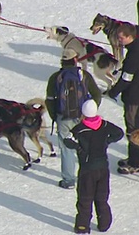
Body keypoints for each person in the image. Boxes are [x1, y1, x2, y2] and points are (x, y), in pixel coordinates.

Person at [64, 100, 124, 234]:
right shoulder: (105, 125)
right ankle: (104, 224)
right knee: (102, 197)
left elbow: (67, 140)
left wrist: (78, 148)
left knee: (85, 198)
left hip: (87, 169)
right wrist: (107, 141)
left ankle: (82, 226)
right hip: (103, 168)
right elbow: (119, 133)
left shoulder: (80, 128)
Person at [46, 48, 102, 189]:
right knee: (86, 147)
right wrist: (89, 111)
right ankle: (88, 178)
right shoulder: (84, 75)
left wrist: (55, 116)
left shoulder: (55, 77)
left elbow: (50, 100)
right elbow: (97, 94)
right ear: (75, 60)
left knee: (66, 149)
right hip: (83, 117)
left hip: (63, 117)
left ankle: (69, 180)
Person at [107, 23, 139, 174]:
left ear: (130, 37)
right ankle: (133, 157)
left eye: (121, 38)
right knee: (134, 127)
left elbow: (126, 78)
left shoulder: (135, 54)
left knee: (134, 130)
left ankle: (136, 162)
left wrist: (113, 92)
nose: (119, 40)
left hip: (136, 97)